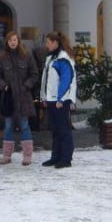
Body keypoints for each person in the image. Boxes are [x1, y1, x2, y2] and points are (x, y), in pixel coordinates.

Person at [0, 30, 40, 166]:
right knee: (8, 127)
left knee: (25, 126)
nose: (12, 42)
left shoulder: (27, 55)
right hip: (9, 98)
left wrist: (27, 85)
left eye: (14, 40)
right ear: (7, 42)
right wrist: (4, 86)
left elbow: (34, 74)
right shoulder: (2, 57)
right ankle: (6, 156)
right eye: (10, 40)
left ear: (18, 41)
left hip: (24, 97)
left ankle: (27, 156)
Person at [40, 31, 77, 168]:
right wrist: (44, 96)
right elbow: (46, 80)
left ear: (55, 43)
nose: (47, 45)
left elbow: (66, 80)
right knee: (55, 130)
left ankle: (66, 158)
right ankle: (55, 157)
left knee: (64, 129)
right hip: (51, 99)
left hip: (60, 100)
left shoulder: (63, 58)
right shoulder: (51, 58)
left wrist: (61, 99)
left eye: (48, 42)